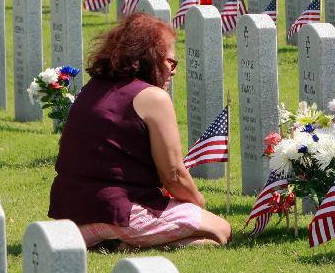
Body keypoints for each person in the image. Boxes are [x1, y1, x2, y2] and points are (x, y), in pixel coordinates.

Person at [48, 13, 232, 249]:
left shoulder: (91, 88)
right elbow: (174, 174)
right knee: (221, 230)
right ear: (150, 58)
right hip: (117, 211)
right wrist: (198, 203)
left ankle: (113, 242)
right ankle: (124, 242)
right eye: (170, 62)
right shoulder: (152, 97)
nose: (173, 71)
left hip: (70, 215)